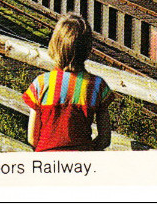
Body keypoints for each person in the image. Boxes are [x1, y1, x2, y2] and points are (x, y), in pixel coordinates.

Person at [22, 13, 114, 152]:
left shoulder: (40, 84)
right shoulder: (97, 85)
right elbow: (104, 139)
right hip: (82, 164)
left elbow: (32, 138)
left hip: (47, 165)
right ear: (88, 49)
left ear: (54, 46)